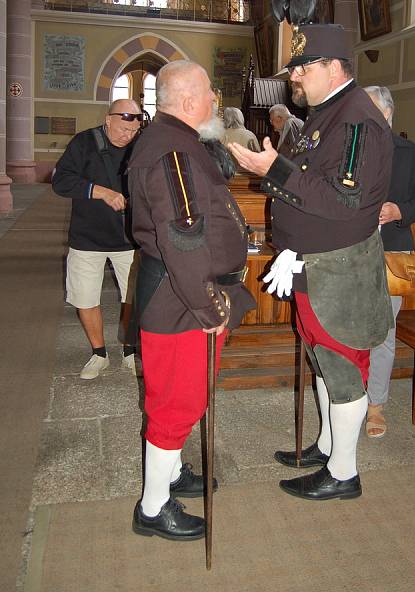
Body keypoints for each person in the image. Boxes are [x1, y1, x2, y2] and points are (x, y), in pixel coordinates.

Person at [228, 23, 394, 501]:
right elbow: (308, 179)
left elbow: (347, 201)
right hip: (315, 263)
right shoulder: (327, 113)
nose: (294, 76)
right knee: (322, 358)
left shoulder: (356, 119)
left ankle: (344, 473)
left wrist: (273, 169)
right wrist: (277, 167)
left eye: (302, 67)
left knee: (341, 362)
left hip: (339, 268)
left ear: (333, 67)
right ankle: (327, 445)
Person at [127, 60, 255, 541]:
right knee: (176, 403)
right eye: (209, 93)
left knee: (185, 397)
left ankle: (173, 471)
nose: (214, 102)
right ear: (187, 102)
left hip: (181, 296)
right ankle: (154, 507)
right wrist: (209, 307)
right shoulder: (172, 153)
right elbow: (182, 239)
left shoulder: (177, 141)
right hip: (181, 301)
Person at [52, 99, 142, 379]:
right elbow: (61, 181)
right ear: (108, 120)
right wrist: (100, 192)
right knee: (85, 297)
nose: (127, 136)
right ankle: (98, 353)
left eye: (133, 130)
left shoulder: (141, 145)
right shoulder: (84, 143)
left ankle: (129, 349)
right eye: (122, 129)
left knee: (134, 297)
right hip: (87, 237)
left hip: (129, 238)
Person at [363, 85, 415, 438]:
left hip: (391, 252)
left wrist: (398, 210)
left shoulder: (409, 152)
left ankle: (376, 407)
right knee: (346, 329)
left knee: (383, 334)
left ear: (388, 113)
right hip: (350, 250)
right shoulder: (350, 148)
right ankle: (349, 401)